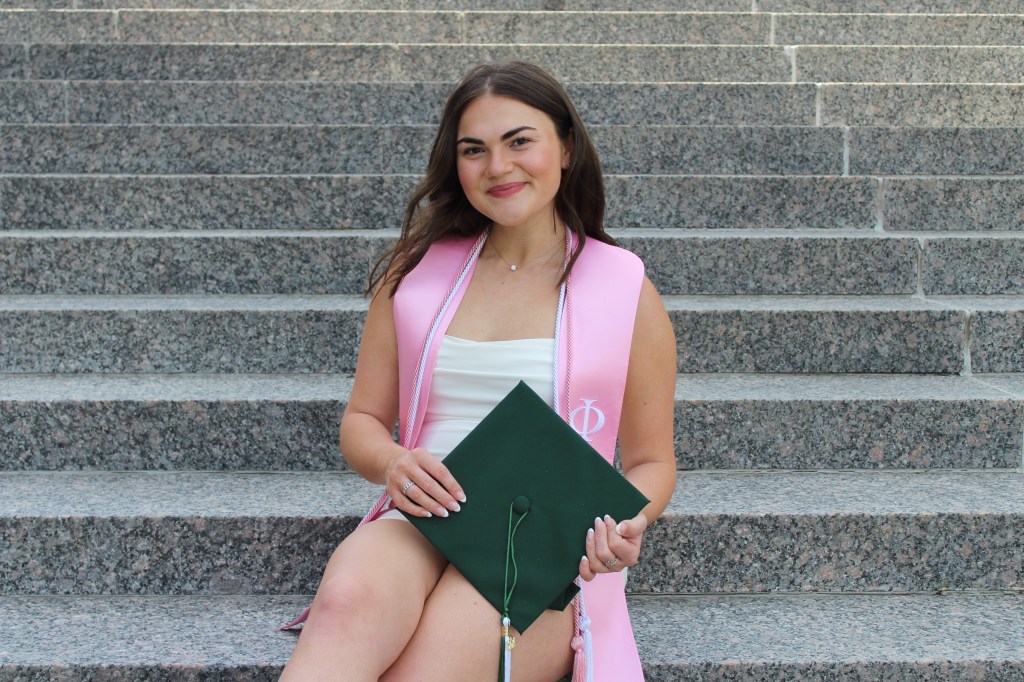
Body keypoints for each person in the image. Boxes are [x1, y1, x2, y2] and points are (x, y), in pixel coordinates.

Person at [279, 61, 676, 682]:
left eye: (520, 141)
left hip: (539, 537)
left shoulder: (624, 288)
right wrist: (392, 463)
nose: (498, 167)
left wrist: (628, 522)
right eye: (474, 149)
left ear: (566, 147)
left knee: (428, 667)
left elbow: (653, 460)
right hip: (421, 514)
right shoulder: (413, 276)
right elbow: (362, 419)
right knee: (347, 603)